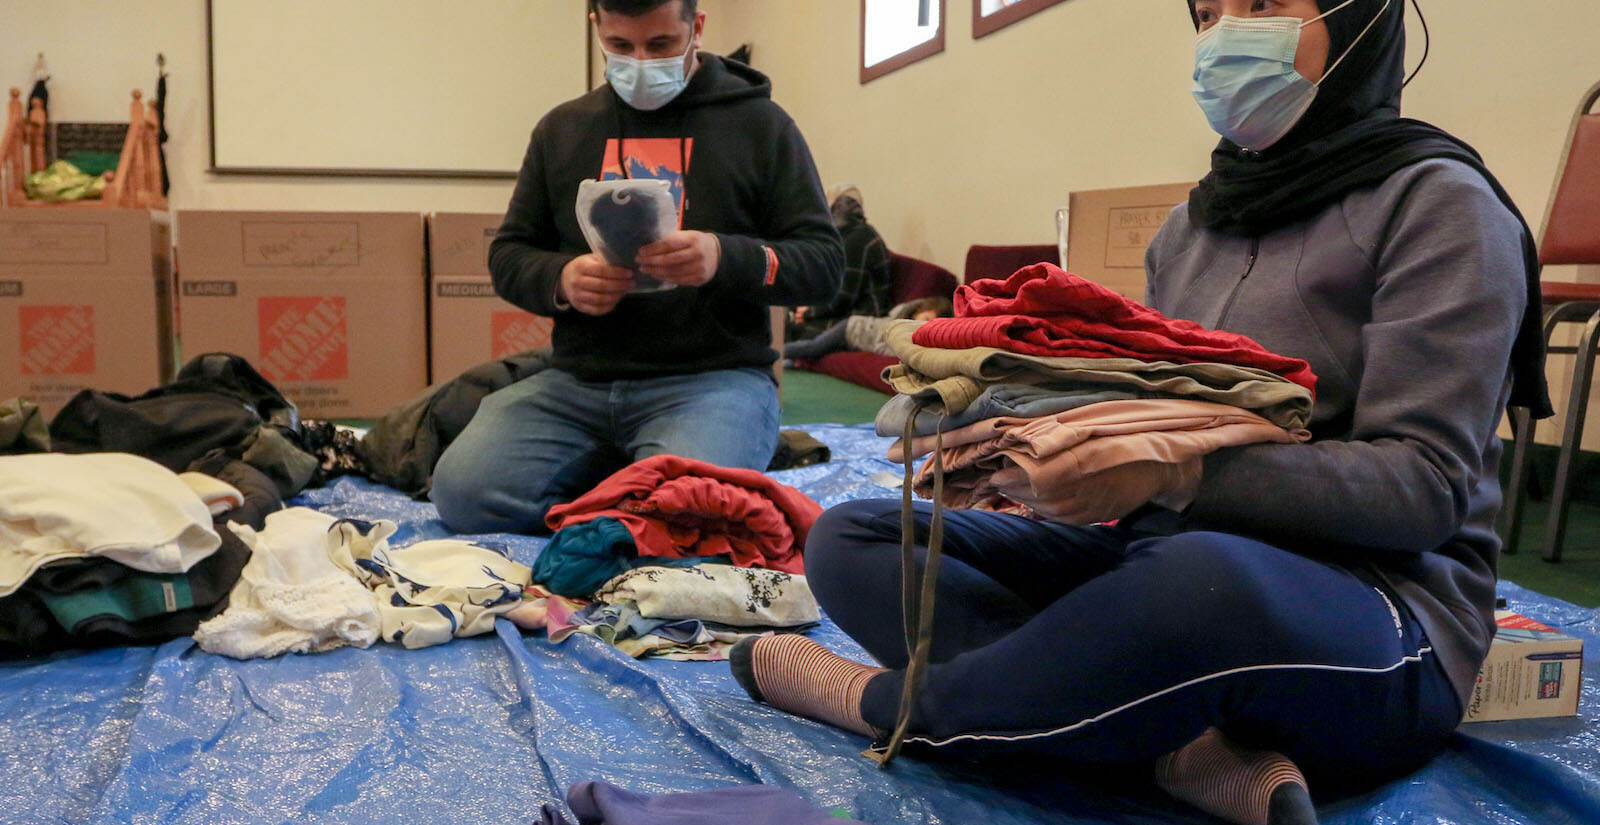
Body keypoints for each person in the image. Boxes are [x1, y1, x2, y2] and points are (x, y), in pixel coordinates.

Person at [729, 2, 1550, 824]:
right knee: (857, 536)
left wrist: (1180, 471)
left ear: (1363, 18)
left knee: (1200, 587)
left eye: (1262, 4)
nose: (1226, 32)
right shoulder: (1191, 226)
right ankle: (1175, 746)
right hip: (1161, 559)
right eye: (1207, 12)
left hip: (1373, 606)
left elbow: (1423, 488)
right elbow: (1147, 407)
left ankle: (887, 705)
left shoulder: (1443, 206)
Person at [430, 0, 844, 535]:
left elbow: (825, 265)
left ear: (696, 28)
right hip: (578, 381)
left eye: (661, 45)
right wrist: (562, 279)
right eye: (621, 46)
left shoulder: (762, 126)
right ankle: (633, 498)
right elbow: (509, 255)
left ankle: (635, 492)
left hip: (715, 381)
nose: (640, 63)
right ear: (596, 27)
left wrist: (725, 257)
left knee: (692, 507)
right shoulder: (562, 130)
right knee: (462, 492)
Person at [787, 185, 893, 341]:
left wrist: (809, 311)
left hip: (857, 320)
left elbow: (843, 297)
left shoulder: (858, 240)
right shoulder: (848, 235)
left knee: (788, 330)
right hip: (841, 313)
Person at [783, 296, 953, 362]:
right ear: (918, 312)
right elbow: (881, 346)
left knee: (816, 347)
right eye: (925, 319)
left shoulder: (909, 334)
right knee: (813, 347)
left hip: (855, 336)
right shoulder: (897, 324)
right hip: (851, 328)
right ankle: (778, 352)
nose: (923, 326)